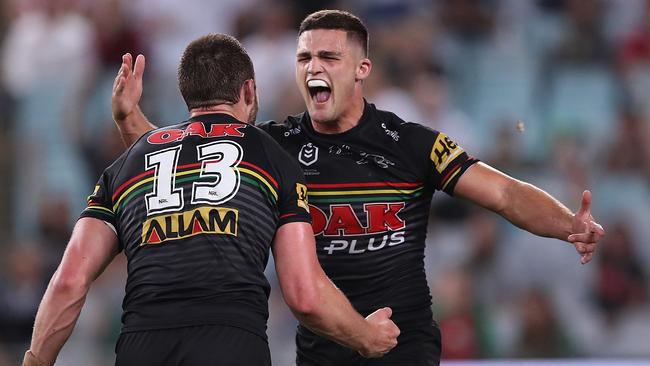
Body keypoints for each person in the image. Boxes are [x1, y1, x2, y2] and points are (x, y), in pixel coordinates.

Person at [112, 10, 605, 366]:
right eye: (304, 57)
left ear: (362, 69)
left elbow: (502, 193)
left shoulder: (411, 144)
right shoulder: (270, 147)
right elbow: (176, 167)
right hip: (323, 349)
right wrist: (131, 120)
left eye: (329, 56)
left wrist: (567, 224)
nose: (312, 67)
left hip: (402, 343)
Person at [22, 33, 401, 366]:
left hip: (142, 346)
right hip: (232, 344)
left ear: (187, 94)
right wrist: (365, 337)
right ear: (249, 91)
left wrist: (36, 362)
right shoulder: (272, 157)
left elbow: (70, 280)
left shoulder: (127, 164)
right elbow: (303, 295)